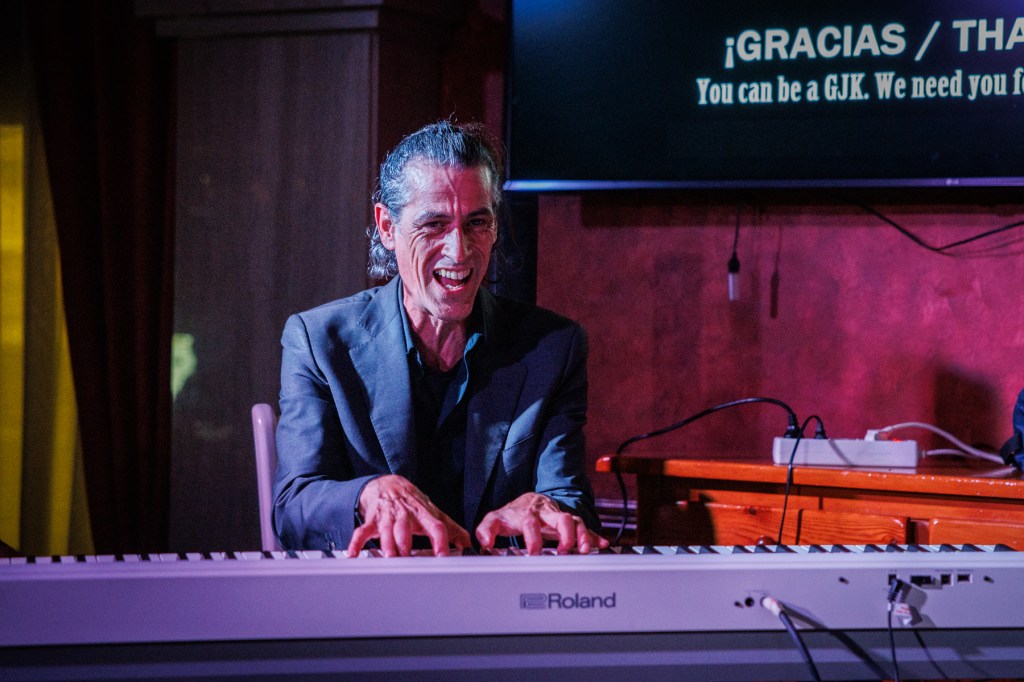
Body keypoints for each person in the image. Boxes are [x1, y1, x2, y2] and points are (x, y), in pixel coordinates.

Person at [273, 121, 607, 557]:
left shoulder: (554, 347)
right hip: (372, 605)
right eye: (434, 224)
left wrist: (546, 507)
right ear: (387, 226)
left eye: (477, 223)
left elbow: (570, 499)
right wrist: (369, 493)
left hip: (500, 607)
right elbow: (294, 505)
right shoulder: (319, 341)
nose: (460, 250)